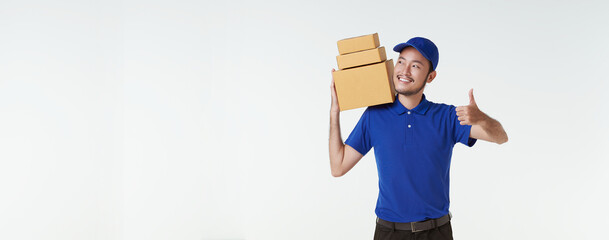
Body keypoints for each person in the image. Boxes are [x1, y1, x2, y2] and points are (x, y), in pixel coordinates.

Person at [328, 37, 508, 240]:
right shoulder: (374, 115)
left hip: (436, 232)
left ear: (430, 77)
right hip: (389, 233)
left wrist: (482, 119)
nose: (404, 71)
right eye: (401, 62)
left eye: (415, 66)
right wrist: (335, 111)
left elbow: (501, 137)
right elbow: (338, 166)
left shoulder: (447, 116)